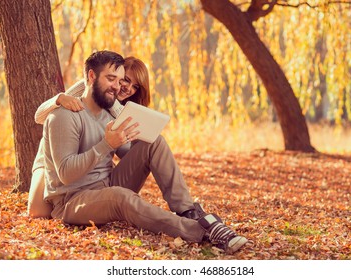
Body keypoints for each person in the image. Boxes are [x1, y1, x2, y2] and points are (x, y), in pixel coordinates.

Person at [33, 50, 247, 254]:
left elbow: (126, 152)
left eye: (120, 81)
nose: (118, 87)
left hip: (106, 184)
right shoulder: (65, 114)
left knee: (153, 142)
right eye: (111, 79)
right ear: (91, 76)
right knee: (121, 197)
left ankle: (188, 210)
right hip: (73, 200)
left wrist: (138, 144)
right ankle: (201, 230)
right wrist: (105, 144)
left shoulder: (112, 113)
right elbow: (66, 174)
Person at [28, 57, 151, 218]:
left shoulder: (129, 107)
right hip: (54, 155)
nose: (127, 88)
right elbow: (40, 116)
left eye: (135, 87)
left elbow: (123, 152)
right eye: (125, 80)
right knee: (38, 212)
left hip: (91, 157)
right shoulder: (92, 88)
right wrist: (59, 98)